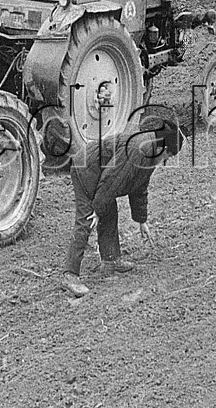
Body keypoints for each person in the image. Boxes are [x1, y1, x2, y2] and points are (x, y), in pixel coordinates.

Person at [60, 109, 189, 297]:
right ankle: (69, 275)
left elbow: (139, 187)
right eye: (168, 156)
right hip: (86, 167)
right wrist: (96, 209)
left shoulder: (151, 151)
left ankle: (111, 260)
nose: (166, 161)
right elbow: (113, 179)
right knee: (87, 219)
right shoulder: (138, 148)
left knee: (109, 211)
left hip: (100, 172)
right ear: (164, 148)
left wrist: (141, 220)